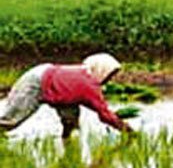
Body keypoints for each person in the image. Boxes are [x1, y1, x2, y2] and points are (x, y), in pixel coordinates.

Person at [0, 53, 133, 139]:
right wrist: (125, 128)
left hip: (59, 90)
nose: (109, 79)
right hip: (37, 83)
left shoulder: (86, 77)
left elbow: (95, 106)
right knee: (11, 120)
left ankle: (67, 141)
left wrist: (112, 117)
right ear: (102, 70)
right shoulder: (89, 85)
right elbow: (102, 113)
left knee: (71, 119)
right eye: (110, 75)